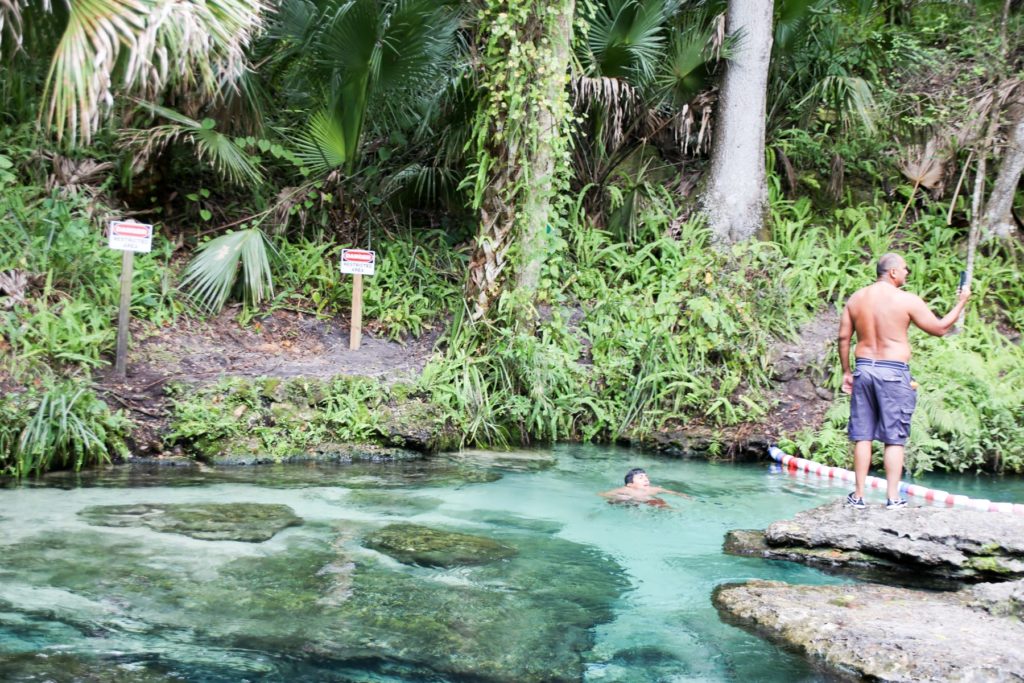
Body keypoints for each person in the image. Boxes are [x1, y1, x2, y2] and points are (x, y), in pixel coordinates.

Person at [838, 253, 970, 510]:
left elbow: (843, 338)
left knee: (862, 435)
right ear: (893, 272)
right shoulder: (906, 300)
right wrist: (961, 301)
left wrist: (846, 371)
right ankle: (892, 498)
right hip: (893, 372)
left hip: (864, 369)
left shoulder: (856, 298)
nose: (908, 273)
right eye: (906, 269)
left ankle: (859, 496)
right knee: (893, 438)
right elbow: (940, 328)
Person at [599, 467, 691, 507]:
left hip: (643, 501)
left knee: (659, 501)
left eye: (646, 477)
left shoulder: (654, 489)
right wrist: (620, 497)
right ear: (630, 484)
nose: (646, 479)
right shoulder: (626, 489)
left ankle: (671, 511)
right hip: (624, 502)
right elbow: (603, 494)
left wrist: (683, 495)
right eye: (640, 478)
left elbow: (672, 492)